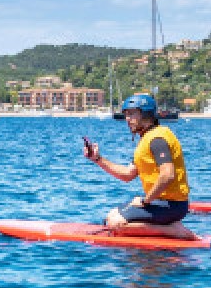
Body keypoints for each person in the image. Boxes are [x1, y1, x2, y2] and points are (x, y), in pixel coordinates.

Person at [82, 93, 197, 238]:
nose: (127, 119)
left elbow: (167, 175)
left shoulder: (157, 139)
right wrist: (97, 159)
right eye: (126, 114)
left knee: (115, 223)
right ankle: (169, 225)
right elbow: (128, 174)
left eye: (131, 114)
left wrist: (145, 200)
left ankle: (174, 230)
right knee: (111, 216)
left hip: (172, 205)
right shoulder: (147, 138)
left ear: (146, 115)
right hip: (161, 202)